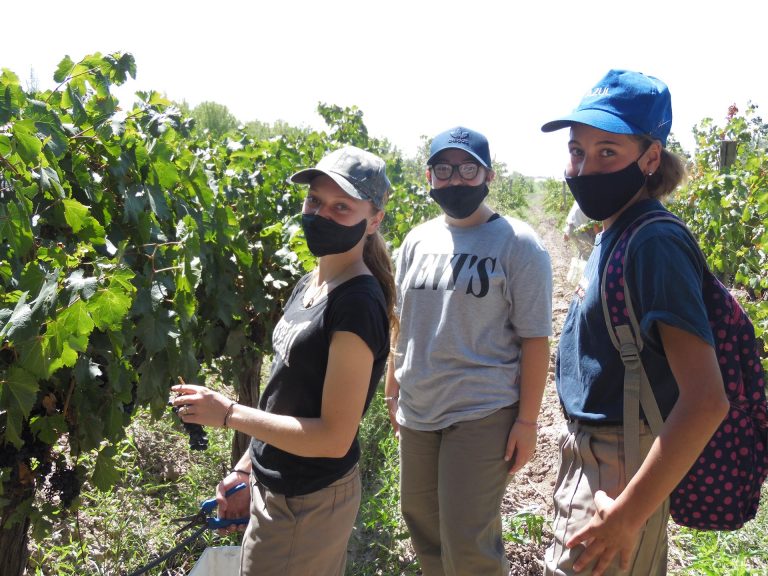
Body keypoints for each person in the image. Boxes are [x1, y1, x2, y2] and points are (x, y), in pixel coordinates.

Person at [172, 145, 395, 576]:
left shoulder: (356, 304)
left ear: (373, 221)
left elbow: (334, 438)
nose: (321, 214)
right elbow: (284, 393)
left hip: (305, 503)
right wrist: (246, 468)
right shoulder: (312, 282)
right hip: (278, 486)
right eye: (315, 200)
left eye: (342, 207)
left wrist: (229, 414)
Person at [540, 69, 729, 575]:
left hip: (619, 463)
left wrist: (627, 515)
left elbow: (707, 400)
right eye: (577, 151)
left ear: (649, 158)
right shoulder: (616, 232)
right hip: (598, 455)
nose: (585, 168)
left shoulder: (653, 243)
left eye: (608, 151)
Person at [385, 126, 553, 576]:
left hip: (482, 409)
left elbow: (536, 338)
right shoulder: (416, 241)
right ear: (429, 177)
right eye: (444, 170)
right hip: (419, 409)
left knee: (467, 541)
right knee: (422, 522)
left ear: (488, 176)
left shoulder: (517, 243)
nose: (455, 179)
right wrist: (392, 389)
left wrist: (527, 422)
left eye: (467, 169)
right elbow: (401, 323)